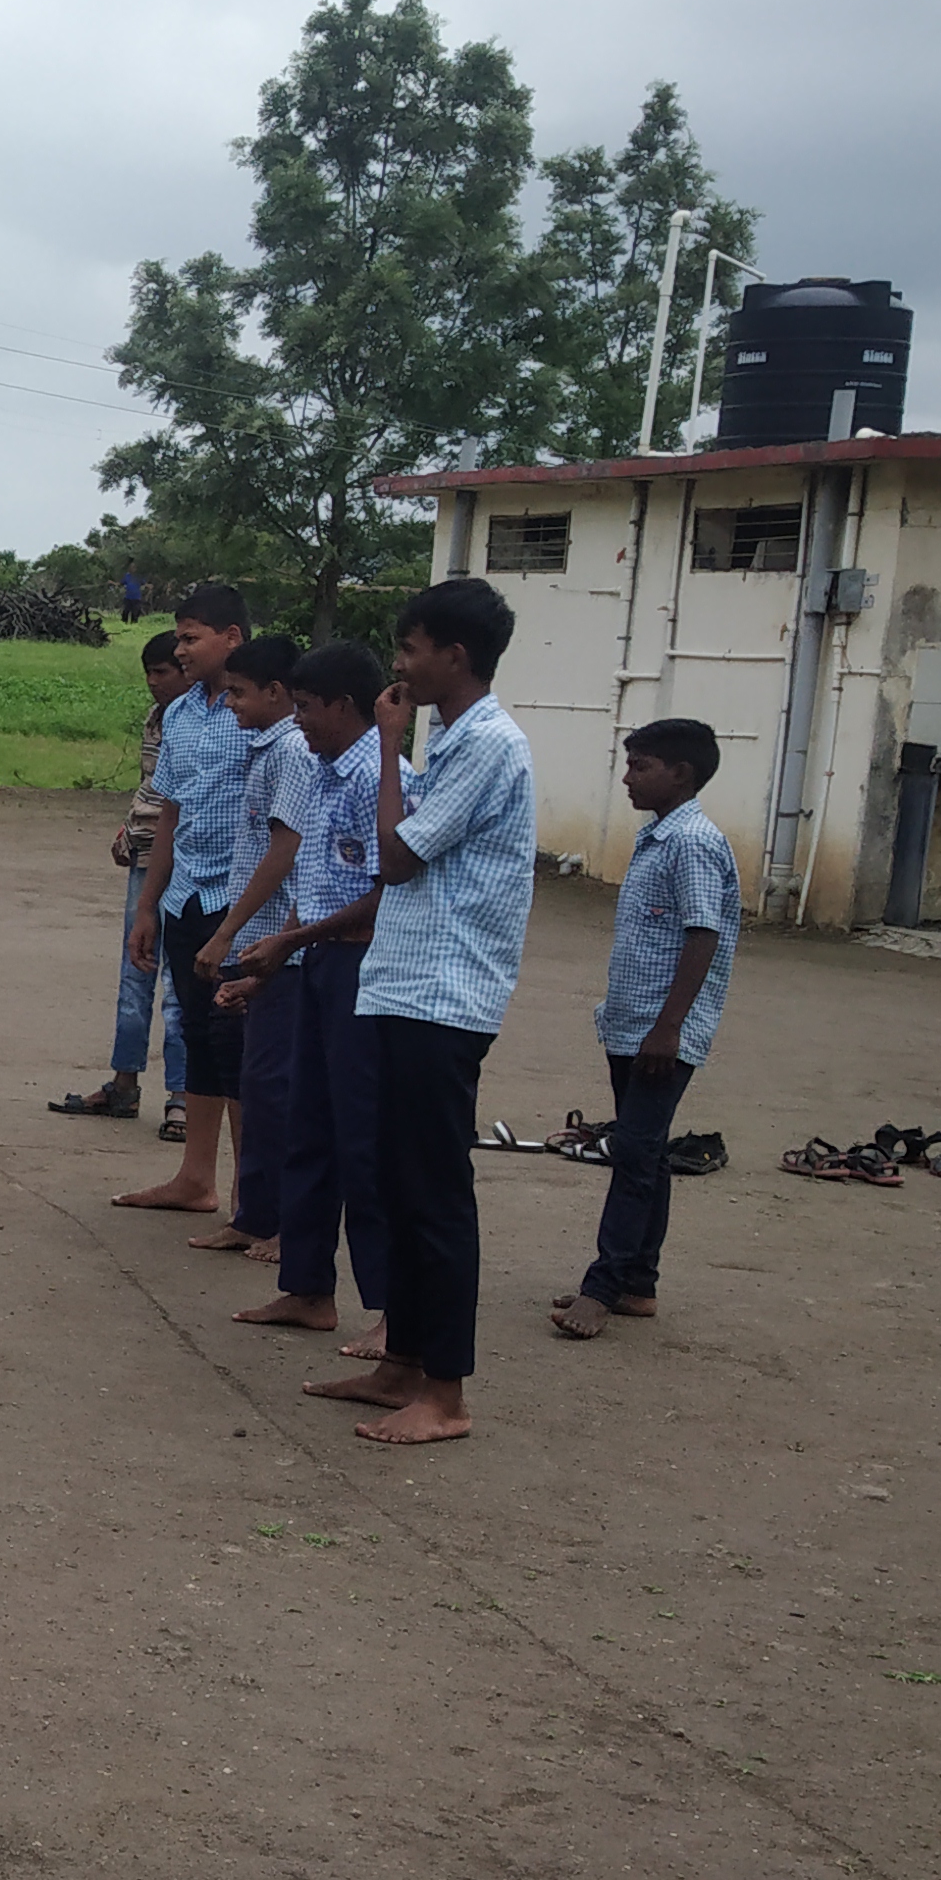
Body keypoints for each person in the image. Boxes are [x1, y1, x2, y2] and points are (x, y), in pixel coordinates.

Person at [303, 578, 535, 1446]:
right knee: (397, 1182)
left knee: (435, 1193)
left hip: (447, 993)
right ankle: (401, 1365)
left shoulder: (486, 745)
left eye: (409, 650)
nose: (398, 667)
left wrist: (390, 747)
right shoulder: (461, 740)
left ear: (455, 657)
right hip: (406, 983)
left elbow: (397, 857)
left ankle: (448, 1394)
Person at [216, 643, 388, 1338]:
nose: (302, 721)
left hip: (362, 967)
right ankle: (308, 1287)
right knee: (309, 1127)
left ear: (343, 706)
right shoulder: (321, 772)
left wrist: (290, 941)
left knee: (363, 1140)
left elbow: (384, 892)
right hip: (311, 958)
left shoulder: (381, 778)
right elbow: (313, 882)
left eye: (309, 709)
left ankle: (391, 1312)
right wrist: (275, 955)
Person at [552, 718, 736, 1342]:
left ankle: (602, 1287)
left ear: (680, 774)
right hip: (632, 1023)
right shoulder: (657, 836)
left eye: (641, 766)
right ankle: (639, 1282)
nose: (627, 778)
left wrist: (670, 1028)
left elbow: (703, 932)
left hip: (663, 1030)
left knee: (633, 1153)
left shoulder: (692, 843)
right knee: (646, 1152)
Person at [113, 583, 253, 1209]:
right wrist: (149, 904)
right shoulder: (182, 713)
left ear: (232, 639)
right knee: (196, 1032)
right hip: (187, 893)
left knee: (240, 1045)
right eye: (180, 636)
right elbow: (170, 811)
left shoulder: (262, 712)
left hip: (242, 899)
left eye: (192, 637)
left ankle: (256, 1197)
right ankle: (197, 1177)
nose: (181, 648)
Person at [186, 634, 311, 1259]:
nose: (229, 704)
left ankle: (285, 1220)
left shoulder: (291, 751)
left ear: (275, 692)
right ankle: (254, 1213)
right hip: (258, 937)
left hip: (276, 943)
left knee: (275, 1086)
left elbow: (285, 851)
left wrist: (229, 931)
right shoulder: (266, 748)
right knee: (252, 1082)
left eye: (237, 693)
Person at [50, 630, 189, 1123]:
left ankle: (182, 1095)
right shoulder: (158, 719)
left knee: (179, 983)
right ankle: (125, 1080)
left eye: (163, 673)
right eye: (149, 674)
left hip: (187, 860)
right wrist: (130, 830)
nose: (154, 683)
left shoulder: (204, 722)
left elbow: (180, 801)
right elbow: (152, 790)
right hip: (146, 855)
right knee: (136, 970)